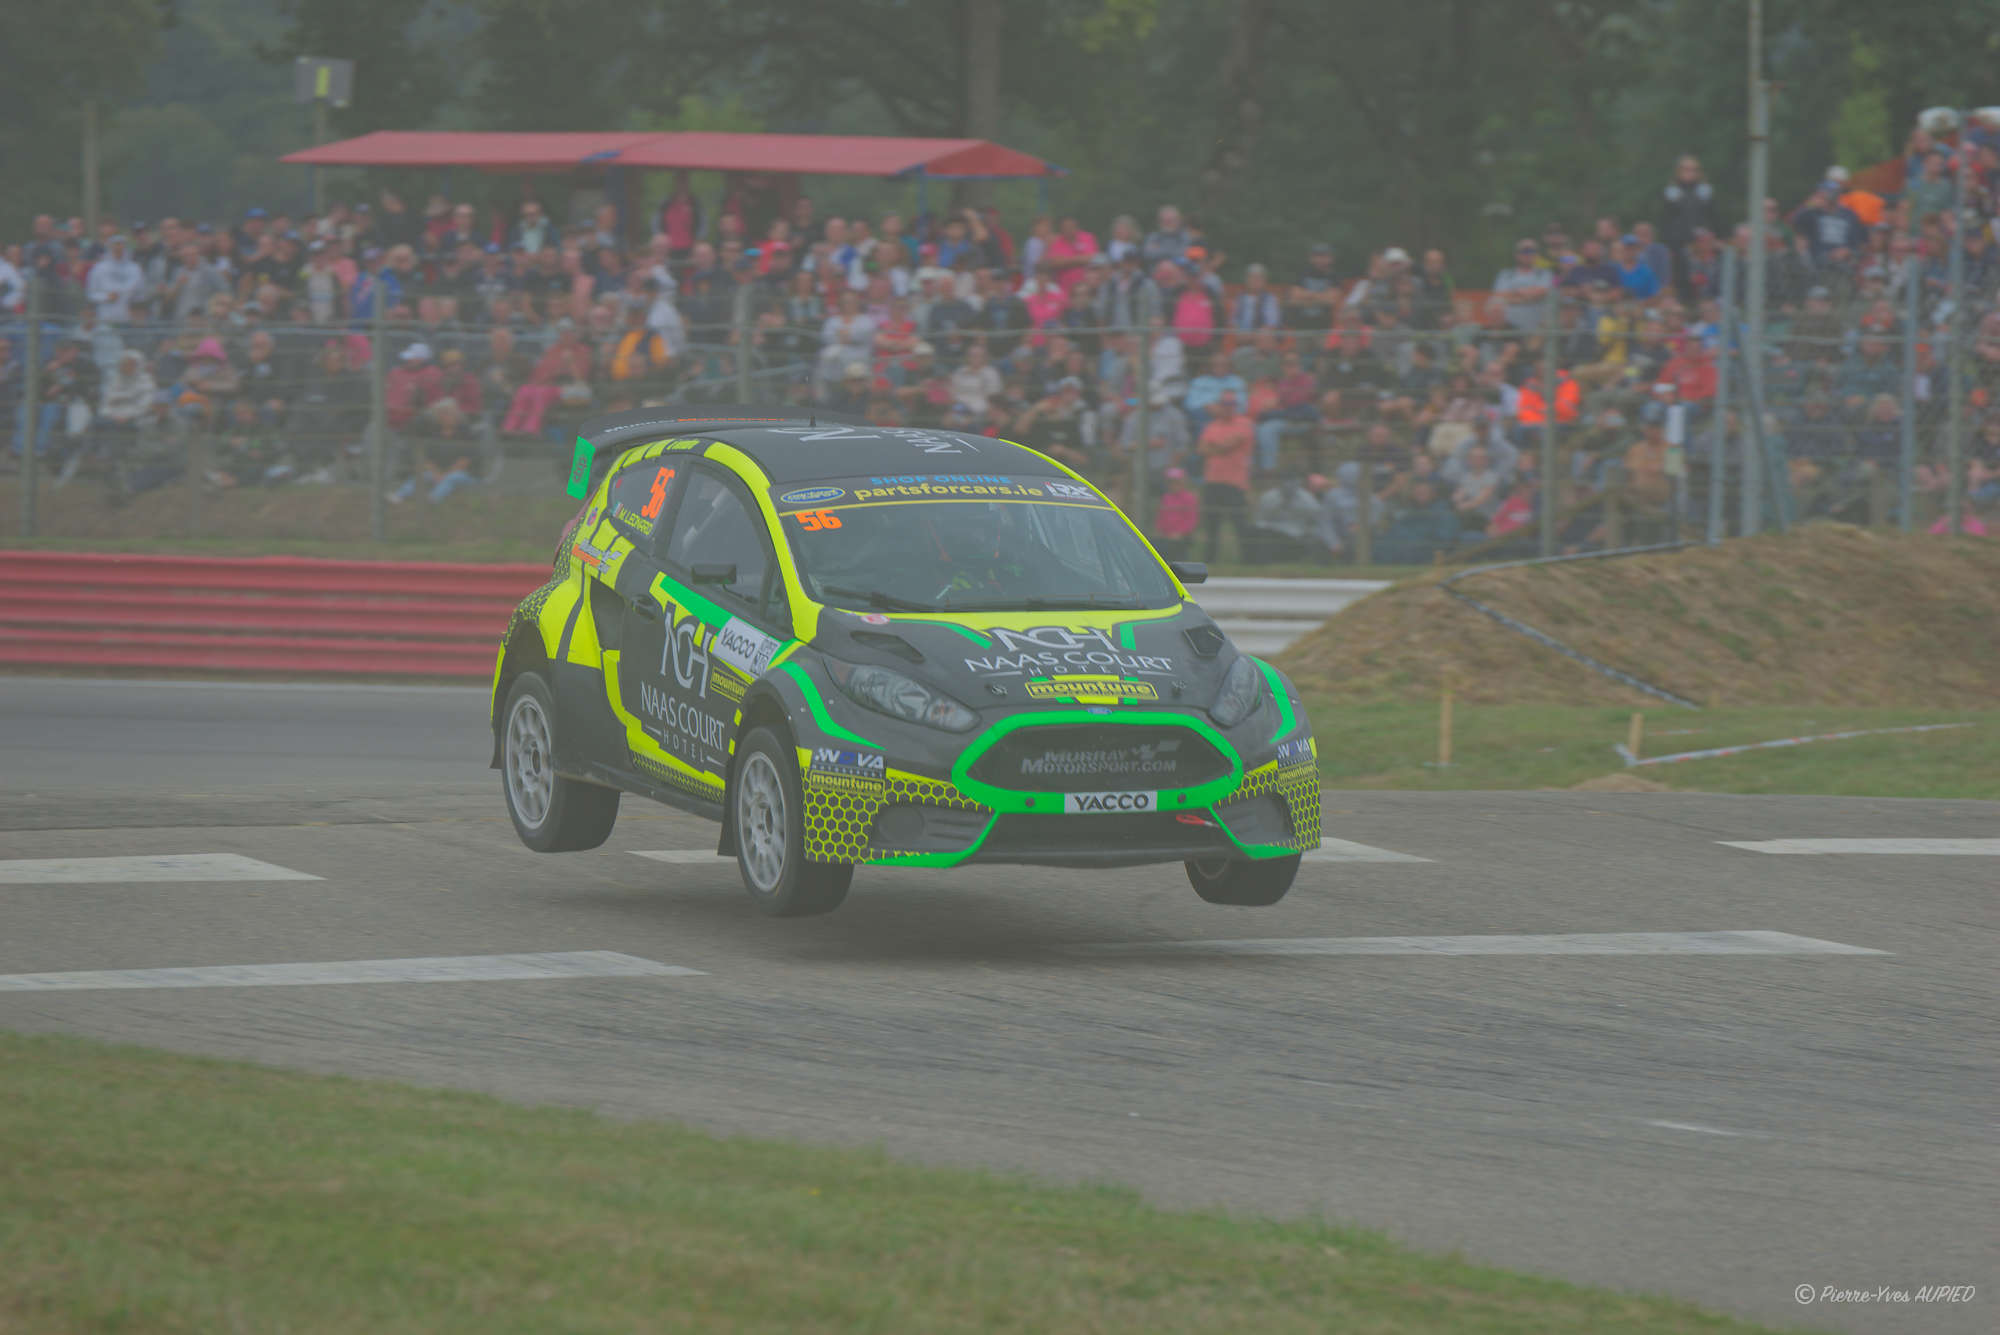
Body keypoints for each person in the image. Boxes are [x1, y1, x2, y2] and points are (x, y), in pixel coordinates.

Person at [1197, 391, 1255, 562]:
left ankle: (1247, 560)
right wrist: (1219, 448)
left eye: (1231, 404)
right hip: (1213, 481)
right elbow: (1201, 449)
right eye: (1224, 404)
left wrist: (1214, 448)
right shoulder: (1212, 426)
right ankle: (1210, 560)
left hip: (1235, 482)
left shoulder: (1244, 423)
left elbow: (1231, 444)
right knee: (1211, 523)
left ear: (1236, 406)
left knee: (1240, 523)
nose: (1228, 408)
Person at [1247, 475, 1328, 564]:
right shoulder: (1269, 497)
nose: (1289, 487)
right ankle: (1254, 562)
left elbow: (1317, 523)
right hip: (1270, 533)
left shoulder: (1308, 501)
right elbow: (1260, 520)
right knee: (1255, 533)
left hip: (1296, 539)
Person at [1152, 467, 1200, 560]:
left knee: (1174, 547)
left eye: (1176, 482)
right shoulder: (1166, 497)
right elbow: (1160, 516)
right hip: (1165, 535)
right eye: (1170, 482)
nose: (1173, 485)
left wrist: (1180, 533)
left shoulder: (1189, 498)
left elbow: (1191, 520)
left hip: (1182, 536)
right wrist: (1159, 530)